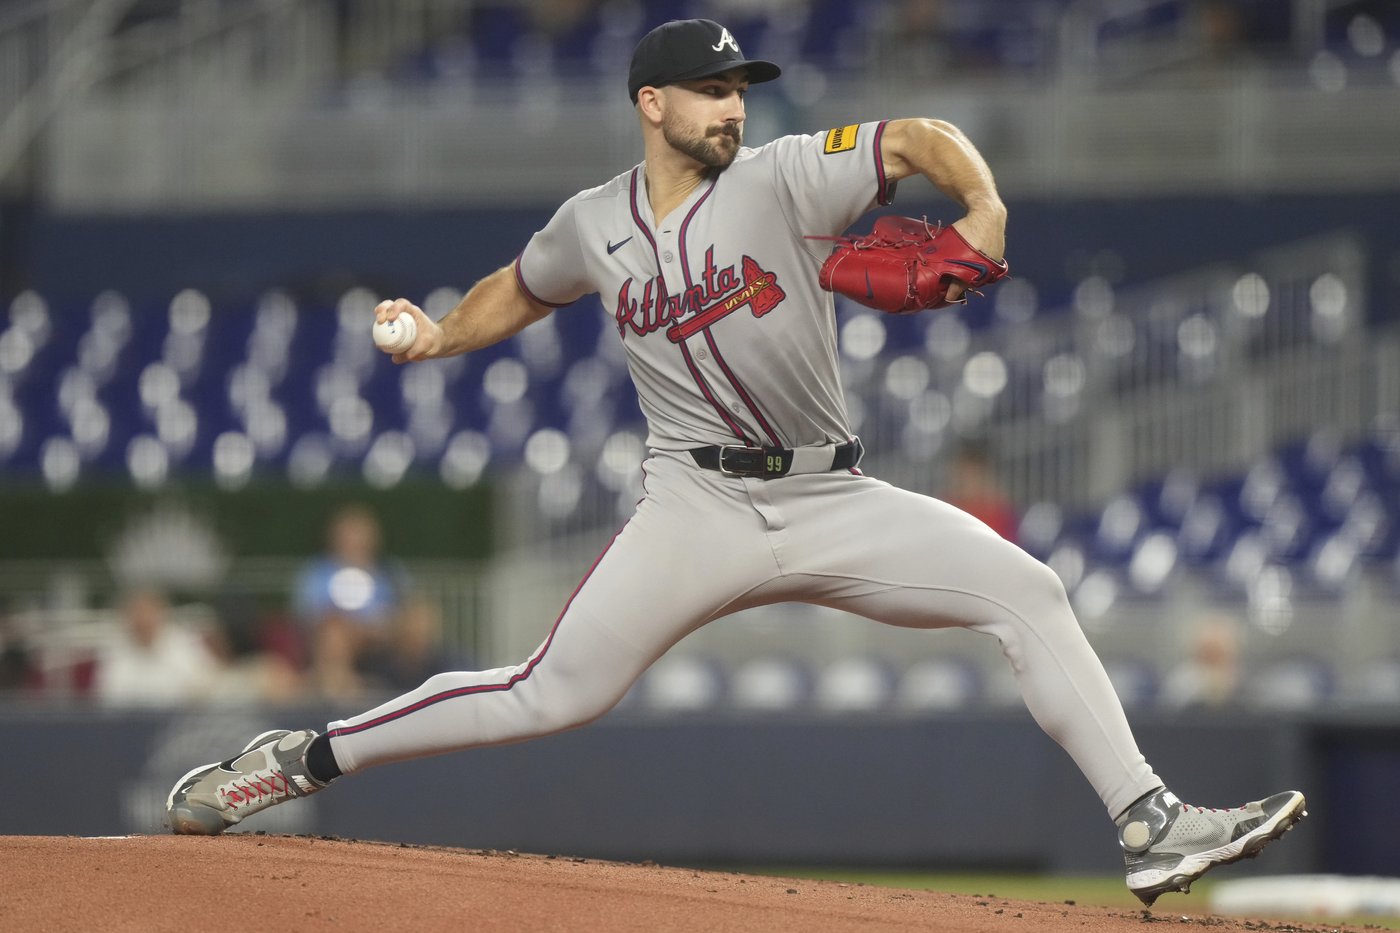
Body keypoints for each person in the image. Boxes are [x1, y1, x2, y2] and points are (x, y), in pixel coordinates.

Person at [166, 19, 1305, 907]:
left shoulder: (784, 176)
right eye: (712, 89)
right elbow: (523, 284)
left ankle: (1146, 823)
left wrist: (984, 202)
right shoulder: (590, 222)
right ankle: (305, 760)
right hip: (695, 503)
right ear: (650, 103)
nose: (732, 106)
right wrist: (436, 335)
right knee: (548, 694)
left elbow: (912, 137)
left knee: (1026, 591)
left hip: (828, 493)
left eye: (739, 88)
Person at [292, 503, 407, 698]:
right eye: (348, 535)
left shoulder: (390, 573)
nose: (353, 542)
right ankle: (339, 692)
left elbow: (401, 610)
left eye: (359, 535)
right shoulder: (317, 572)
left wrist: (377, 628)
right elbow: (308, 614)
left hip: (381, 640)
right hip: (333, 638)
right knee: (334, 635)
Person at [94, 587, 224, 708]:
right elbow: (107, 697)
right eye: (136, 613)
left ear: (161, 614)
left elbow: (207, 687)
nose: (142, 620)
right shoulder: (112, 651)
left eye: (148, 612)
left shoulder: (186, 645)